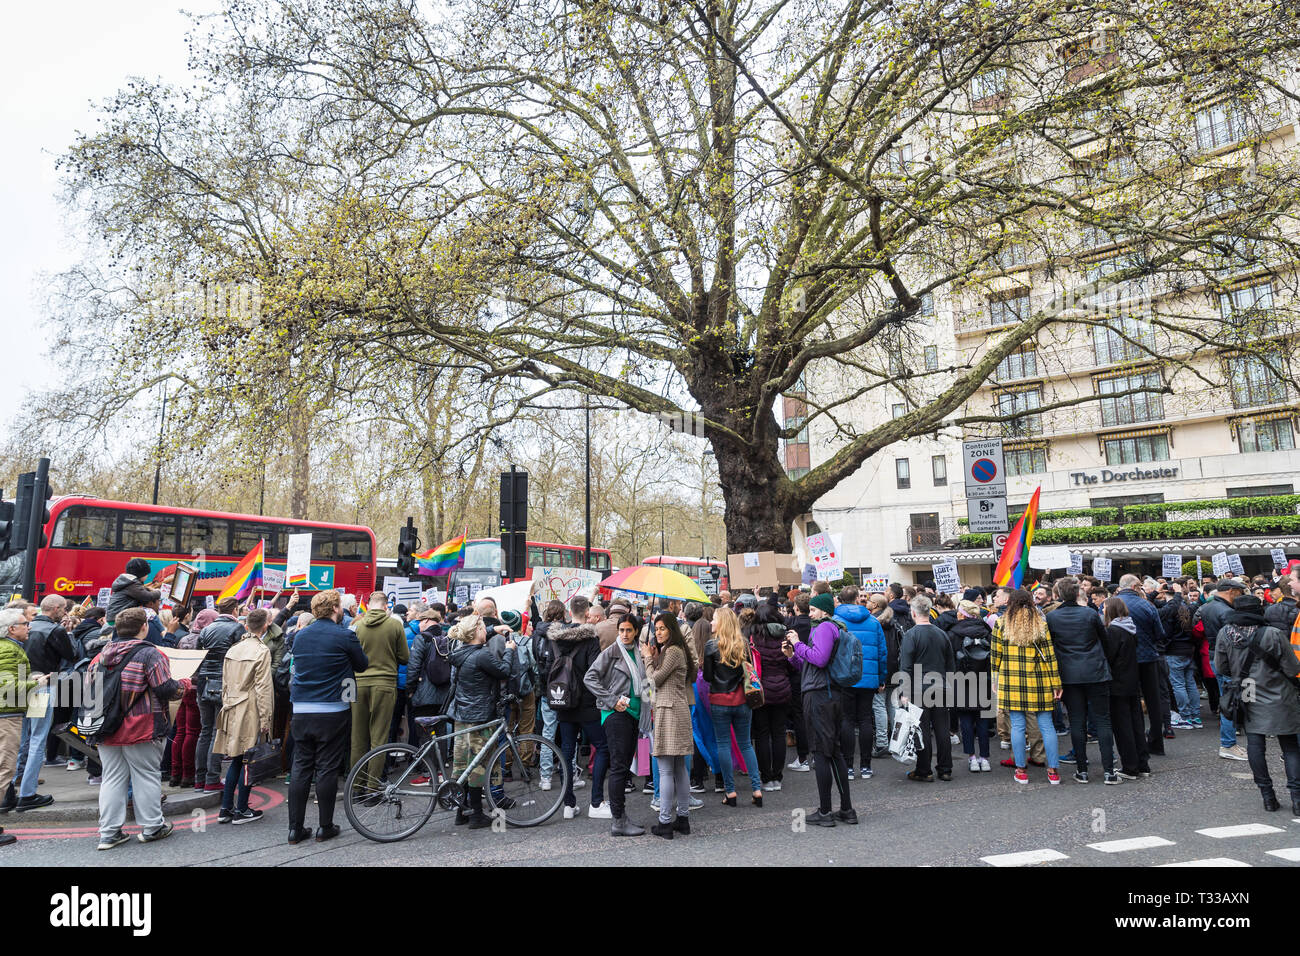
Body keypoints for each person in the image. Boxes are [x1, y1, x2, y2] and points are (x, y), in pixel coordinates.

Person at [85, 608, 190, 850]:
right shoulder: (150, 654)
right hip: (142, 725)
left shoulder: (99, 657)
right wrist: (185, 684)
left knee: (111, 778)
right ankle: (152, 827)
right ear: (143, 627)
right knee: (146, 776)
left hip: (106, 727)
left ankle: (109, 833)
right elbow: (166, 689)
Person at [287, 590, 368, 845]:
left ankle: (295, 830)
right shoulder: (345, 635)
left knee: (300, 767)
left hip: (301, 708)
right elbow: (362, 665)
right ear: (335, 608)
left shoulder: (300, 636)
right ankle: (325, 826)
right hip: (332, 708)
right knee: (327, 768)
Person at [1215, 593, 1300, 813]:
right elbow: (1292, 668)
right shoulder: (1273, 633)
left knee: (1255, 744)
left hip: (1247, 691)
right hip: (1279, 692)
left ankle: (1268, 796)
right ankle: (1297, 798)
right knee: (1290, 745)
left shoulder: (1225, 634)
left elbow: (1221, 667)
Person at [783, 593, 856, 825]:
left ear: (824, 611)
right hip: (829, 692)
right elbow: (812, 664)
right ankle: (846, 809)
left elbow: (820, 659)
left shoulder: (825, 627)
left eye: (813, 610)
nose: (809, 614)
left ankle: (825, 812)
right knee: (833, 752)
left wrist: (798, 643)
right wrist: (793, 656)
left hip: (820, 697)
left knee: (822, 754)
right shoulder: (834, 628)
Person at [447, 613, 517, 829]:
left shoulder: (461, 651)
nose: (484, 629)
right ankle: (476, 814)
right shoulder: (482, 655)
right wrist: (509, 651)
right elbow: (504, 671)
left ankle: (461, 811)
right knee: (477, 765)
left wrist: (493, 630)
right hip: (480, 715)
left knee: (462, 765)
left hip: (461, 714)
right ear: (476, 631)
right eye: (482, 627)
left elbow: (475, 637)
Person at [583, 613, 650, 837]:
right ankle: (618, 820)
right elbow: (589, 677)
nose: (625, 634)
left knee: (623, 766)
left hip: (634, 713)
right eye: (622, 630)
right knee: (620, 767)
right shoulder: (612, 651)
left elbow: (645, 682)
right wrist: (612, 700)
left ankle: (621, 817)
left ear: (636, 631)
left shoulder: (640, 651)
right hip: (615, 714)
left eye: (629, 630)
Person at [1046, 578, 1116, 784]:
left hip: (1069, 674)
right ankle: (1109, 770)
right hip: (1095, 671)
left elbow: (1050, 648)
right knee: (1103, 719)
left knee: (1077, 721)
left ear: (1058, 595)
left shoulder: (1052, 617)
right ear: (1077, 594)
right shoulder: (1090, 614)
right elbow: (1105, 640)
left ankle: (1082, 769)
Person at [992, 589, 1062, 785]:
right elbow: (1050, 655)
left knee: (1017, 725)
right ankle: (1053, 772)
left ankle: (1021, 771)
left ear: (1011, 603)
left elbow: (995, 656)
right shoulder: (1040, 622)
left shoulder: (1001, 622)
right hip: (1039, 679)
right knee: (1047, 726)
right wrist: (1056, 682)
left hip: (1011, 679)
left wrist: (994, 680)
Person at [213, 607, 274, 824]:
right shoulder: (261, 651)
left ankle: (226, 809)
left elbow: (225, 684)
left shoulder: (233, 650)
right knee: (249, 762)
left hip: (231, 707)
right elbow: (263, 689)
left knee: (236, 761)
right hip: (250, 709)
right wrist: (266, 719)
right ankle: (242, 810)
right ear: (265, 625)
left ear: (247, 624)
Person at [548, 606, 609, 819]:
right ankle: (596, 802)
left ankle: (568, 804)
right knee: (602, 746)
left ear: (569, 613)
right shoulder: (590, 640)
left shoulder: (555, 639)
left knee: (567, 748)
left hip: (562, 700)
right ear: (587, 615)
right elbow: (596, 671)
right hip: (587, 703)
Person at [14, 595, 74, 809]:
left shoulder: (25, 628)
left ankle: (13, 786)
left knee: (23, 739)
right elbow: (72, 654)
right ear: (56, 608)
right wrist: (68, 632)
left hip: (22, 684)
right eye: (64, 609)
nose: (65, 612)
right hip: (42, 685)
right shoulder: (55, 630)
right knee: (37, 738)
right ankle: (27, 793)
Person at [702, 606, 764, 807]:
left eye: (714, 619)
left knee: (723, 745)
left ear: (722, 623)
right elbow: (748, 672)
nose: (711, 622)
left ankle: (730, 791)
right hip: (742, 700)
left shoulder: (711, 646)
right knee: (746, 744)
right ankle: (756, 789)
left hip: (719, 700)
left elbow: (709, 677)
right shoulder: (743, 644)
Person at [0, 608, 49, 841]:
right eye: (24, 623)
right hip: (6, 718)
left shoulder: (9, 648)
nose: (29, 626)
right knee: (4, 770)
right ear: (11, 629)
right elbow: (8, 690)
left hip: (6, 715)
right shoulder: (9, 650)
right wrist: (36, 682)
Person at [899, 594, 956, 782]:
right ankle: (945, 768)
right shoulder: (942, 634)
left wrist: (904, 692)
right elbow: (950, 665)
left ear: (913, 613)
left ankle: (924, 770)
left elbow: (906, 666)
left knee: (922, 730)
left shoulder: (911, 635)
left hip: (919, 688)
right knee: (942, 729)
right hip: (941, 686)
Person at [350, 592, 409, 769]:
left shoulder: (356, 626)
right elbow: (405, 657)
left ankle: (357, 786)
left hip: (359, 683)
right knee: (379, 738)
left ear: (368, 606)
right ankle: (372, 788)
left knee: (358, 738)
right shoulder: (395, 625)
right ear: (386, 607)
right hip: (385, 683)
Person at [834, 585, 887, 779]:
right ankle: (866, 765)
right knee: (865, 719)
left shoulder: (835, 621)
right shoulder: (873, 622)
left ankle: (848, 766)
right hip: (868, 676)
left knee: (847, 719)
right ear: (858, 598)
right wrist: (882, 677)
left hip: (844, 677)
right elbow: (882, 652)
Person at [193, 598, 245, 792]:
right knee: (218, 731)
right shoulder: (237, 629)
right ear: (235, 609)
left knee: (205, 731)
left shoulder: (205, 630)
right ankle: (212, 778)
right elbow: (241, 658)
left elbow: (198, 656)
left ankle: (200, 779)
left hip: (203, 682)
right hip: (224, 682)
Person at [1115, 574, 1168, 758]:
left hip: (1123, 661)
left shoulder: (1112, 604)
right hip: (1148, 657)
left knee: (1131, 702)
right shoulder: (1147, 605)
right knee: (1153, 701)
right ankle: (1156, 741)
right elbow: (1160, 633)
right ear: (1136, 586)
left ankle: (1136, 744)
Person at [1195, 578, 1248, 760]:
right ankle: (1228, 744)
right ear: (1231, 591)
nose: (1241, 596)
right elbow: (1234, 641)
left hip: (1215, 657)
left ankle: (1230, 742)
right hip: (1226, 661)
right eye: (1240, 592)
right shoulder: (1225, 611)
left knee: (1228, 701)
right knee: (1231, 702)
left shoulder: (1208, 607)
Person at [749, 604, 797, 790]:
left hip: (760, 691)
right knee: (778, 733)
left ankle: (766, 777)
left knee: (762, 734)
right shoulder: (784, 638)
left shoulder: (753, 638)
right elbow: (792, 665)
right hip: (783, 690)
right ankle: (777, 776)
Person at [1101, 597, 1145, 780]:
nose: (1102, 610)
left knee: (1122, 726)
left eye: (1104, 608)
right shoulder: (1130, 627)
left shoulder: (1113, 631)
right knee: (1136, 724)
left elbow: (1109, 656)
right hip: (1132, 681)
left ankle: (1130, 766)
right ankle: (1142, 763)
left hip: (1118, 683)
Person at [950, 599, 994, 772]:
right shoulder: (987, 631)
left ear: (962, 614)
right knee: (983, 721)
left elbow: (950, 659)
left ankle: (972, 758)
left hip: (961, 680)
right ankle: (985, 758)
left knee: (966, 721)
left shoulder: (953, 633)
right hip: (985, 679)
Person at [531, 600, 567, 791]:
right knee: (569, 731)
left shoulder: (537, 633)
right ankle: (568, 772)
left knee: (548, 733)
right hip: (564, 687)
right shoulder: (564, 632)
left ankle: (545, 777)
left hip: (546, 687)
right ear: (562, 614)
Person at [1160, 582, 1201, 730]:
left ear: (1166, 595)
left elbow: (1165, 634)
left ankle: (1185, 717)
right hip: (1188, 649)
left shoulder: (1171, 611)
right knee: (1190, 683)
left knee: (1178, 684)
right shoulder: (1189, 608)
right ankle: (1196, 716)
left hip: (1174, 651)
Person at [104, 558, 162, 624]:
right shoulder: (132, 584)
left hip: (115, 616)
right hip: (117, 619)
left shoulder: (129, 582)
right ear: (141, 574)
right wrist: (158, 592)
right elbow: (147, 596)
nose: (147, 576)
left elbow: (141, 591)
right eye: (146, 574)